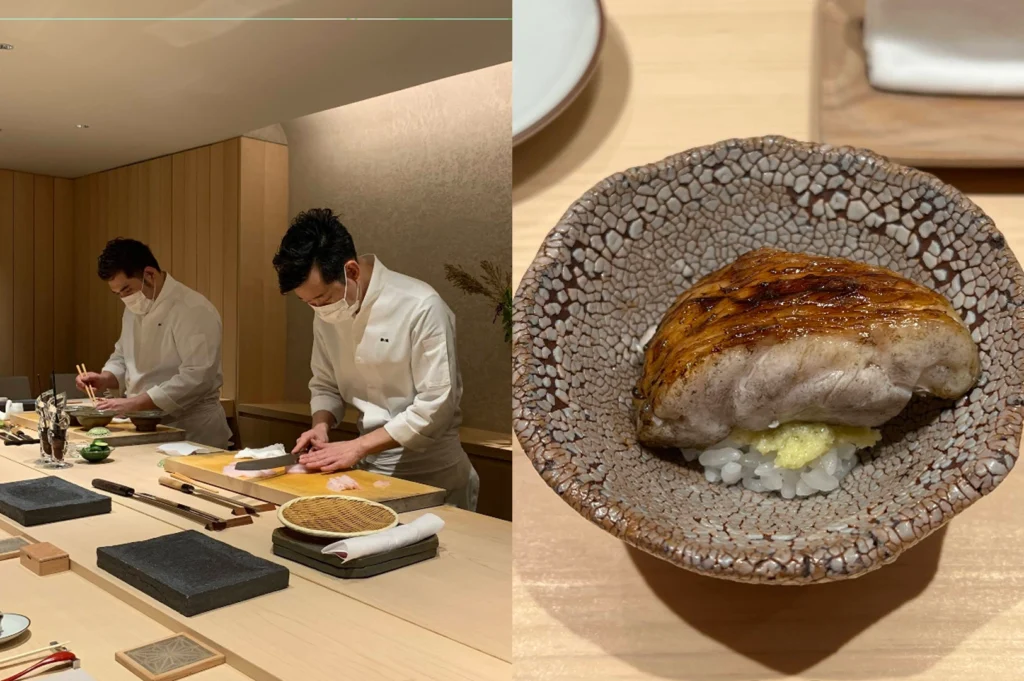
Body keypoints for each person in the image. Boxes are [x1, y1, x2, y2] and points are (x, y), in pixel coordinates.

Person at [273, 208, 480, 511]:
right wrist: (321, 425)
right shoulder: (327, 313)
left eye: (323, 299)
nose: (319, 309)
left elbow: (436, 405)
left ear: (352, 271)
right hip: (368, 469)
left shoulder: (421, 306)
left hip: (432, 472)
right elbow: (325, 383)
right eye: (309, 303)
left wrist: (357, 447)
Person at [76, 238, 232, 450]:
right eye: (118, 294)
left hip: (192, 429)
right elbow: (123, 355)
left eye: (127, 290)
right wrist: (105, 378)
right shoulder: (135, 306)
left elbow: (197, 376)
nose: (124, 298)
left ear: (149, 274)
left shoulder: (193, 308)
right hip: (145, 424)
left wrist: (135, 403)